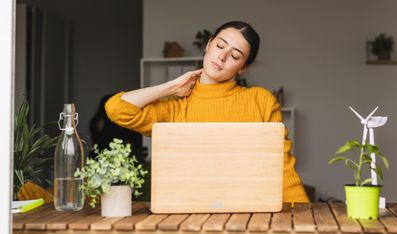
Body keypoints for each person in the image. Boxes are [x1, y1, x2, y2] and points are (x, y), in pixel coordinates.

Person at [105, 21, 309, 203]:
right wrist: (171, 87)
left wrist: (303, 214)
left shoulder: (261, 101)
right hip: (187, 213)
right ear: (208, 45)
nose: (222, 56)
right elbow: (116, 108)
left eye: (235, 56)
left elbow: (282, 166)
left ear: (242, 68)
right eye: (220, 45)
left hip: (248, 211)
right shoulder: (176, 106)